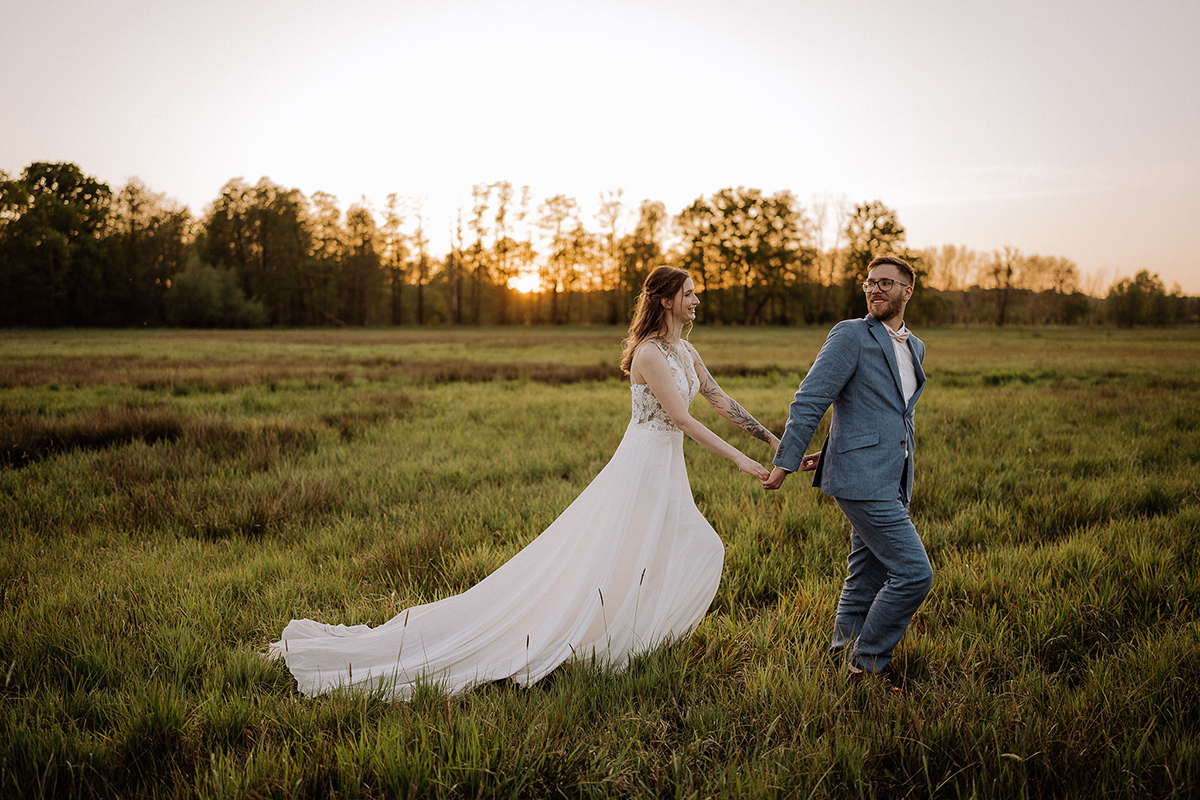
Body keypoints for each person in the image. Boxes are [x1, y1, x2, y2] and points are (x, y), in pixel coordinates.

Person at [268, 266, 777, 699]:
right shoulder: (648, 354)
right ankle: (590, 638)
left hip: (667, 468)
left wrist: (776, 444)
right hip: (642, 465)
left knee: (656, 550)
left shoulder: (687, 353)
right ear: (666, 300)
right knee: (651, 548)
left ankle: (620, 638)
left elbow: (719, 399)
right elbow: (683, 420)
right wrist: (739, 461)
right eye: (689, 293)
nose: (697, 300)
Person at [762, 255, 931, 678]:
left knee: (867, 571)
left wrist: (837, 449)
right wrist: (784, 463)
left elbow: (888, 413)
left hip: (891, 474)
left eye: (885, 283)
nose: (875, 289)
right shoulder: (850, 335)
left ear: (907, 292)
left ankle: (841, 655)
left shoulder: (916, 346)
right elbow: (811, 399)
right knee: (914, 573)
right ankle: (867, 664)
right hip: (861, 481)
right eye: (870, 283)